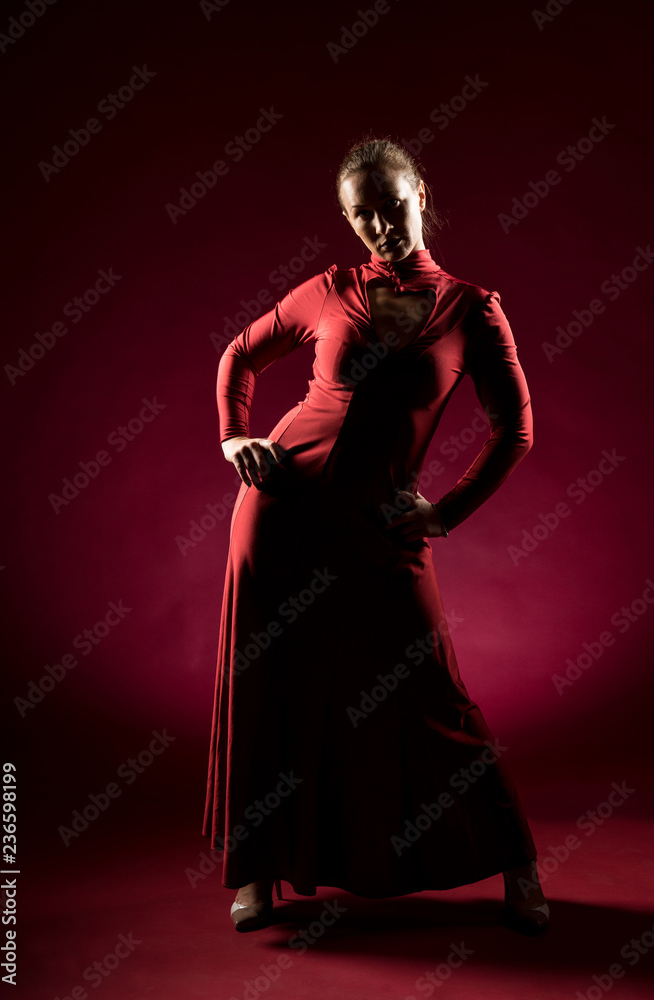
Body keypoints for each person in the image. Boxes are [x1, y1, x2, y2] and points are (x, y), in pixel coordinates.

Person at [201, 137, 550, 936]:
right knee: (275, 687)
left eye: (391, 205)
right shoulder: (328, 288)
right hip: (281, 509)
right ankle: (257, 869)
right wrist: (233, 437)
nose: (379, 225)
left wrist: (444, 512)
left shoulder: (471, 308)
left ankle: (515, 858)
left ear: (420, 192)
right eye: (361, 214)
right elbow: (238, 354)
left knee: (429, 692)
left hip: (379, 524)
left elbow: (515, 429)